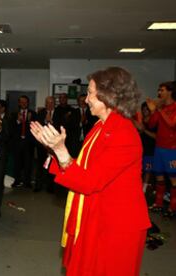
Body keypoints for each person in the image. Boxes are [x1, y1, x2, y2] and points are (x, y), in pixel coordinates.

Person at [30, 67, 150, 276]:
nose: (86, 99)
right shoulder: (100, 127)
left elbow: (90, 180)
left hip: (116, 226)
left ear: (109, 95)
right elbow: (84, 167)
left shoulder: (124, 134)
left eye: (90, 93)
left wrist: (62, 151)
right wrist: (53, 150)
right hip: (97, 216)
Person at [147, 81, 176, 217]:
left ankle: (173, 206)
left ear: (170, 91)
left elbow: (171, 124)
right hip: (159, 147)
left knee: (173, 179)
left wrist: (158, 109)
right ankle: (158, 203)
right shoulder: (161, 107)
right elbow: (152, 125)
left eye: (162, 90)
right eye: (158, 90)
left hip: (172, 149)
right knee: (158, 176)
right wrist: (153, 111)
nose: (159, 93)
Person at [10, 95, 36, 188]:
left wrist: (29, 120)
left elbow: (36, 128)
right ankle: (17, 181)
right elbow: (11, 128)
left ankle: (27, 182)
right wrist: (18, 120)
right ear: (19, 103)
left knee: (28, 164)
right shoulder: (13, 114)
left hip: (29, 143)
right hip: (17, 143)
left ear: (28, 103)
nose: (23, 103)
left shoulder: (33, 113)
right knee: (17, 163)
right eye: (21, 102)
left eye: (25, 102)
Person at [35, 96, 56, 193]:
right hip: (42, 144)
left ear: (54, 103)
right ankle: (38, 185)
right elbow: (37, 125)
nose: (50, 104)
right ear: (45, 103)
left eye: (52, 102)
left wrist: (51, 121)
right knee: (40, 165)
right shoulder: (41, 113)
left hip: (54, 145)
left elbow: (62, 125)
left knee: (52, 166)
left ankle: (51, 187)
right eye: (48, 102)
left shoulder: (59, 113)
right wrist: (45, 121)